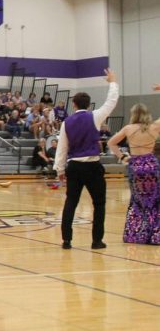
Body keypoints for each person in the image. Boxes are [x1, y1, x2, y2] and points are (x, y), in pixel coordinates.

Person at [54, 69, 119, 250]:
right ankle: (96, 241)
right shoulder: (95, 116)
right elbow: (111, 101)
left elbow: (62, 149)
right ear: (89, 105)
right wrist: (112, 82)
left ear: (74, 105)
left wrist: (59, 171)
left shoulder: (66, 122)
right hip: (92, 166)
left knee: (71, 202)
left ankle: (67, 240)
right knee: (99, 203)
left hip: (74, 167)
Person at [107, 103, 158, 245]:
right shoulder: (155, 127)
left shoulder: (128, 128)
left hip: (135, 166)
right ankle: (155, 235)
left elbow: (111, 143)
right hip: (152, 165)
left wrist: (123, 157)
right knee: (155, 201)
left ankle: (137, 235)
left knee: (138, 200)